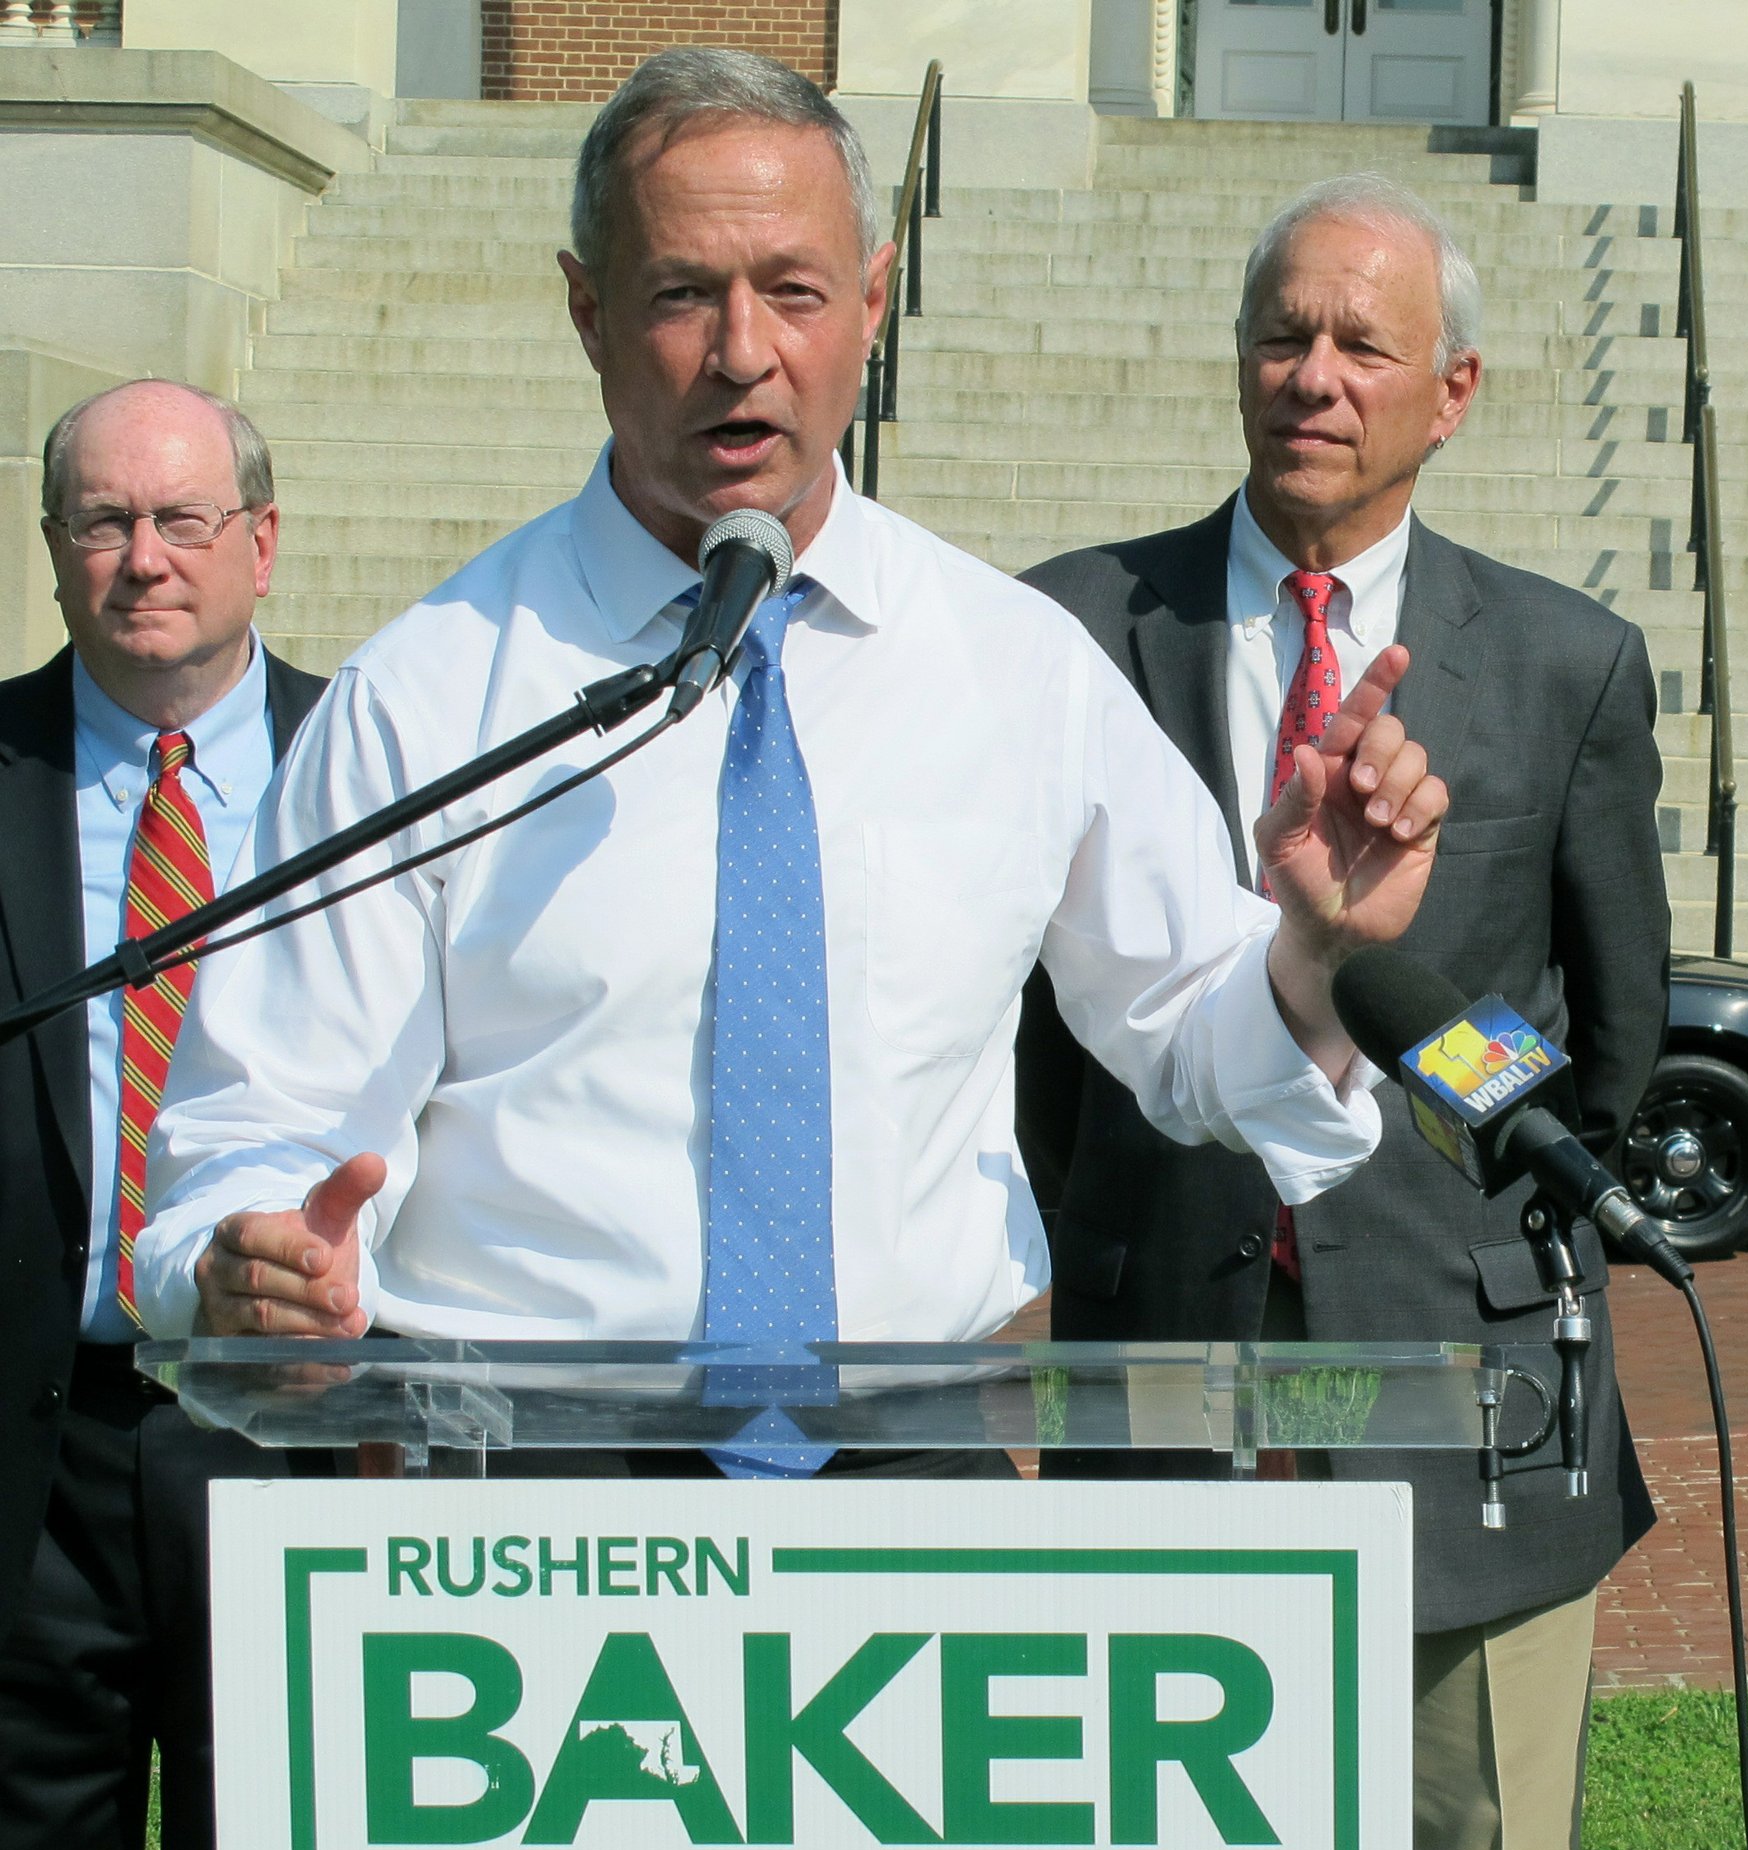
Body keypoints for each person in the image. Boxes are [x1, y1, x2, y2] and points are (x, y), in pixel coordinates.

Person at [136, 49, 1445, 1448]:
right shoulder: (431, 697)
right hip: (536, 1493)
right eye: (682, 293)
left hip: (906, 1462)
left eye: (796, 290)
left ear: (874, 301)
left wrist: (1312, 951)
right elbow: (258, 1133)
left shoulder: (1014, 668)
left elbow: (1196, 1026)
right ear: (586, 309)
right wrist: (250, 1263)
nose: (744, 351)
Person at [1015, 173, 1671, 1850]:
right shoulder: (1069, 634)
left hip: (1463, 1394)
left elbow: (1606, 1052)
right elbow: (1025, 1040)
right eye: (1283, 333)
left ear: (1454, 391)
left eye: (1362, 345)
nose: (1312, 376)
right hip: (1156, 1378)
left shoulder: (1566, 666)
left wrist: (1432, 1078)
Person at [0, 379, 325, 1850]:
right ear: (54, 549)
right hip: (37, 1470)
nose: (142, 559)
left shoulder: (381, 756)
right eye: (103, 522)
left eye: (181, 521)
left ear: (258, 543)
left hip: (285, 1445)